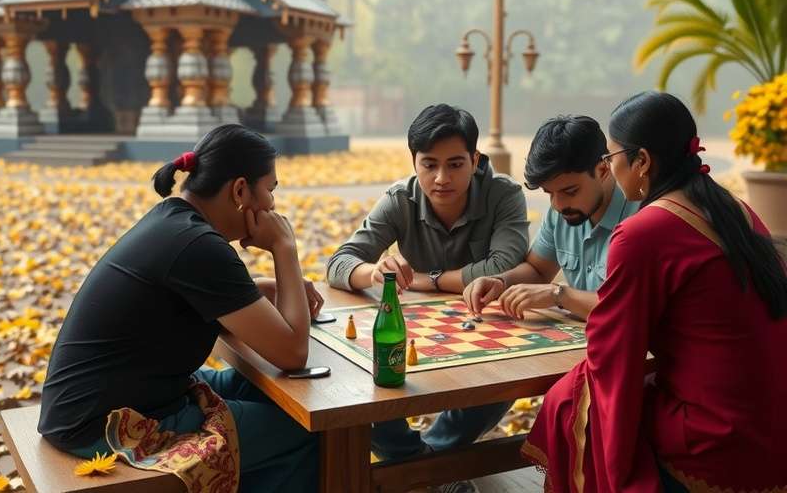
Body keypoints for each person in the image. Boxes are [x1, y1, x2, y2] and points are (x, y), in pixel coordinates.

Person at [522, 92, 787, 492]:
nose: (609, 167)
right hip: (773, 419)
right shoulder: (733, 208)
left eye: (611, 157)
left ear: (642, 161)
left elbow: (615, 353)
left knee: (569, 402)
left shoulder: (643, 231)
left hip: (719, 434)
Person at [39, 124, 324, 493]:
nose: (272, 205)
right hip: (105, 425)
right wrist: (285, 248)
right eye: (271, 189)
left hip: (108, 401)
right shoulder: (199, 245)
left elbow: (189, 298)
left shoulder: (176, 221)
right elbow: (292, 353)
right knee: (305, 432)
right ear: (240, 190)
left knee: (255, 387)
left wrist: (264, 287)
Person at [326, 104, 529, 475]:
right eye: (429, 164)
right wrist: (374, 271)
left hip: (485, 332)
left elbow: (503, 267)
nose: (441, 178)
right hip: (415, 330)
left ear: (475, 160)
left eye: (455, 164)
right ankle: (426, 467)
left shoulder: (503, 194)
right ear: (414, 162)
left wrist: (428, 279)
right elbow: (339, 263)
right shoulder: (399, 199)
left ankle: (420, 467)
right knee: (360, 382)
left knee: (505, 381)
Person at [463, 115, 638, 321]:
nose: (557, 205)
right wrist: (501, 282)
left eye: (570, 191)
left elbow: (630, 309)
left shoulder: (641, 218)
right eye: (549, 193)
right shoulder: (563, 211)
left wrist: (559, 295)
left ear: (602, 170)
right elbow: (538, 270)